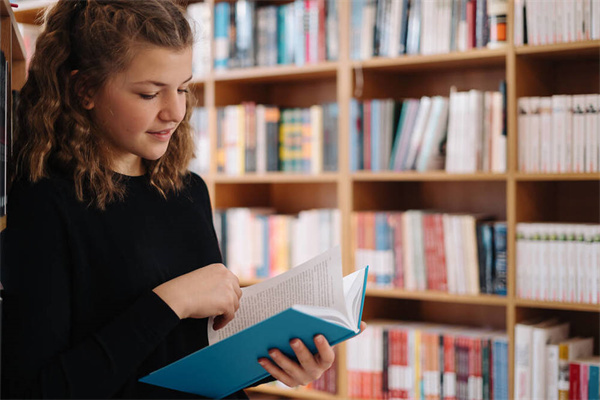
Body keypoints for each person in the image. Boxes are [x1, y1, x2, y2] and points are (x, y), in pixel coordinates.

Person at [1, 1, 342, 398]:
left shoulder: (189, 191)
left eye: (182, 88)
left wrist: (278, 362)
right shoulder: (41, 203)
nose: (176, 111)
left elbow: (193, 351)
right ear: (85, 89)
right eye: (149, 94)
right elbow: (37, 390)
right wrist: (170, 302)